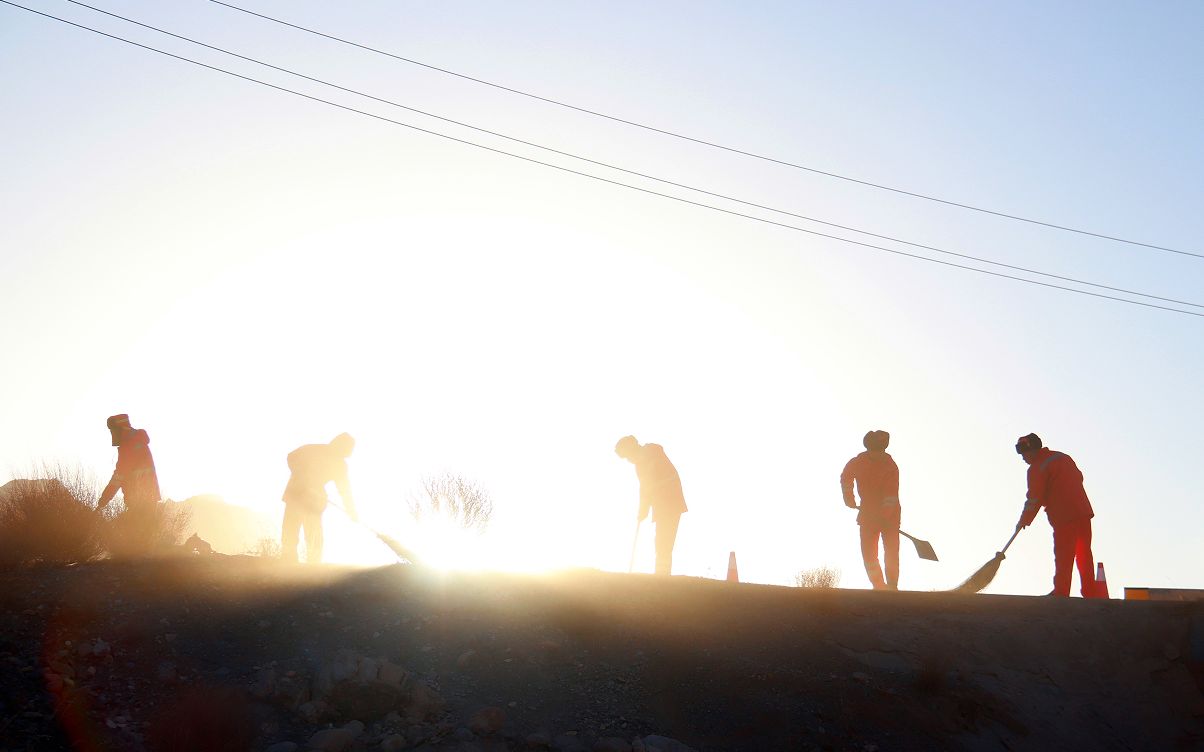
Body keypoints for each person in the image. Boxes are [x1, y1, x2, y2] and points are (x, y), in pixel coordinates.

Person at [1014, 433, 1104, 598]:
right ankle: (1090, 592)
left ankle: (1061, 592)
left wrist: (1023, 521)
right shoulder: (1063, 457)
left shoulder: (1037, 467)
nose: (1023, 458)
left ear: (1031, 450)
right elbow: (1079, 477)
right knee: (1084, 553)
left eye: (1024, 454)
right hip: (1082, 512)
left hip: (1063, 515)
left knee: (1064, 554)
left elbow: (1034, 497)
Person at [614, 435, 687, 575]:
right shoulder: (640, 464)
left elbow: (649, 483)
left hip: (670, 502)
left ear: (632, 448)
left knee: (664, 541)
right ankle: (661, 574)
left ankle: (662, 576)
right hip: (661, 505)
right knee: (661, 541)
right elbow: (644, 488)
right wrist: (643, 510)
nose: (628, 460)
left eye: (626, 456)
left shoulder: (652, 452)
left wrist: (644, 508)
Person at [281, 433, 358, 564]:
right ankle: (289, 564)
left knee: (313, 534)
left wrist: (351, 510)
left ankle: (314, 567)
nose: (349, 452)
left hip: (314, 500)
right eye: (348, 448)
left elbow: (344, 490)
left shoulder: (340, 465)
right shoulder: (312, 450)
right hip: (296, 494)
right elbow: (291, 457)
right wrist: (302, 474)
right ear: (340, 445)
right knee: (290, 532)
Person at [840, 430, 901, 590]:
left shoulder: (890, 466)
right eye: (874, 451)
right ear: (868, 449)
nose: (877, 455)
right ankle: (878, 586)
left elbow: (891, 494)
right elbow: (846, 477)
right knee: (869, 552)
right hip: (867, 512)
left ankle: (892, 586)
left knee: (891, 551)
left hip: (891, 515)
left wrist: (884, 516)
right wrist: (849, 498)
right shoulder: (858, 462)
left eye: (880, 451)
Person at [97, 414, 162, 512]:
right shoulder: (138, 441)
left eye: (113, 430)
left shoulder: (129, 446)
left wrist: (104, 500)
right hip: (150, 499)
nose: (112, 434)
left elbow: (119, 475)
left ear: (121, 429)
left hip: (138, 502)